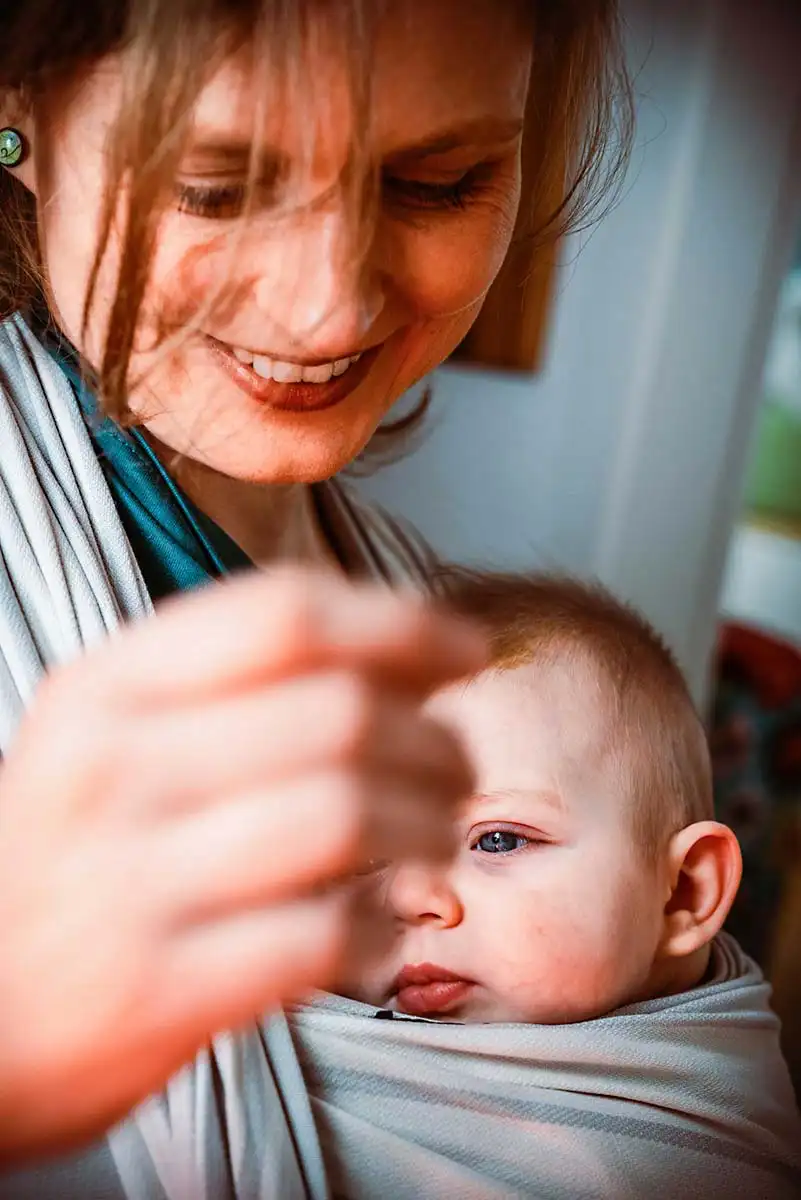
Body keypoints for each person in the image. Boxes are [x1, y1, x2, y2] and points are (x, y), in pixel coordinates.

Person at [0, 0, 632, 1189]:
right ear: (14, 109)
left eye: (440, 182)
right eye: (212, 187)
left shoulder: (440, 617)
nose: (327, 312)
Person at [288, 572, 801, 1199]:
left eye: (496, 840)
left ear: (683, 894)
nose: (407, 897)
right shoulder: (272, 1049)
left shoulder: (708, 1149)